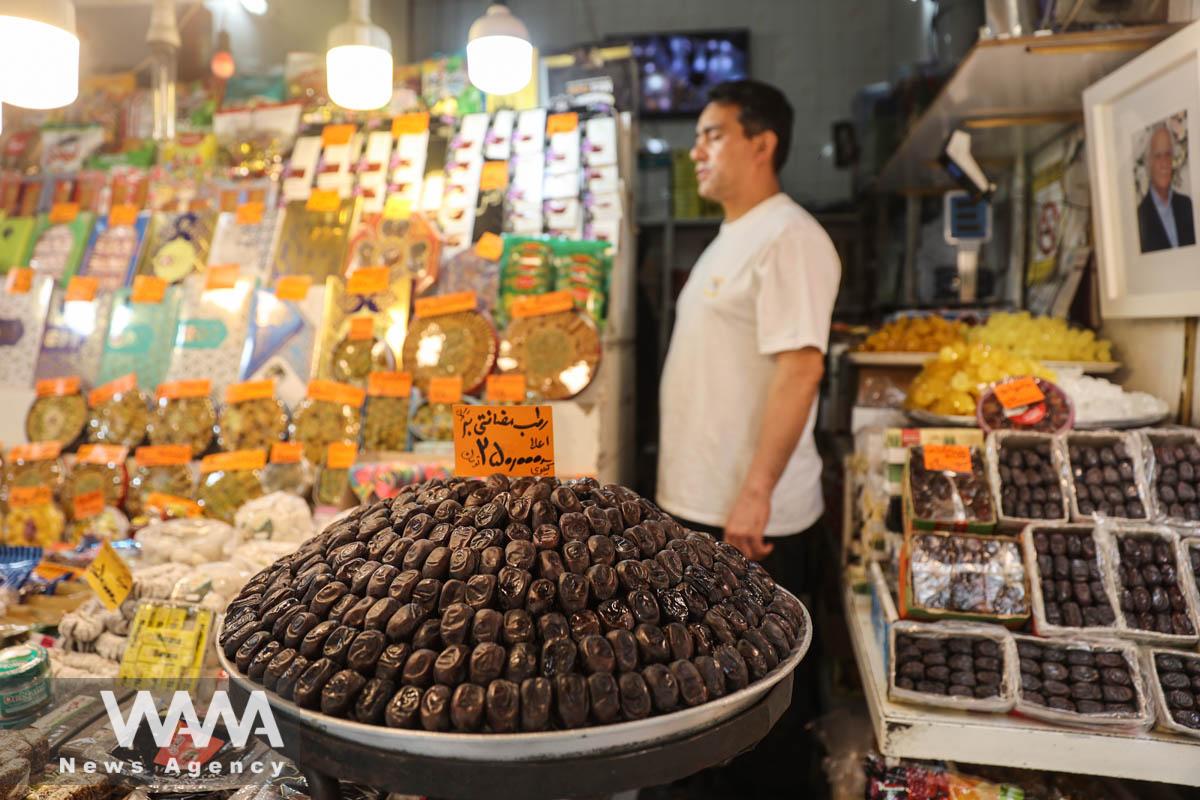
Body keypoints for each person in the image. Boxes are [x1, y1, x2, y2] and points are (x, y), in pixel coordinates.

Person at [654, 79, 840, 799]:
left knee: (754, 710)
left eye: (712, 134)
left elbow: (801, 368)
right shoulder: (735, 235)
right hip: (705, 507)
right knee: (710, 695)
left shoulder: (790, 237)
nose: (695, 150)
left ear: (762, 144)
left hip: (751, 522)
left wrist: (756, 494)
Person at [1138, 123, 1196, 252]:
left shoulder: (1187, 206)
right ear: (1149, 163)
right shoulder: (1140, 218)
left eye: (1168, 154)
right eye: (1158, 156)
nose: (1164, 163)